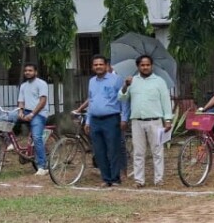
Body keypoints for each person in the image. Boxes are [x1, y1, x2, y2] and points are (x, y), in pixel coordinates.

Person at [74, 55, 128, 187]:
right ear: (93, 67)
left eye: (101, 64)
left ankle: (115, 179)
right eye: (95, 64)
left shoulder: (116, 80)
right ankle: (106, 178)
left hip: (111, 119)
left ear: (106, 66)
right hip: (95, 120)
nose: (98, 66)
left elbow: (124, 99)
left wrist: (124, 118)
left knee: (113, 149)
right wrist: (88, 121)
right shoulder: (92, 81)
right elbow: (91, 101)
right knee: (99, 151)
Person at [120, 55, 173, 188]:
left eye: (147, 65)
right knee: (138, 152)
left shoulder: (159, 81)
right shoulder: (132, 81)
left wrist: (167, 120)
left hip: (155, 121)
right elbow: (121, 98)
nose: (145, 67)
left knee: (157, 151)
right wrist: (125, 85)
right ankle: (139, 180)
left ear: (151, 66)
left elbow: (166, 102)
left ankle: (159, 180)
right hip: (137, 122)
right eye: (142, 65)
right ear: (138, 66)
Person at [15, 63, 49, 175]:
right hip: (26, 111)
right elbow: (21, 101)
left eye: (30, 70)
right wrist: (20, 111)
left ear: (36, 72)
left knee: (37, 137)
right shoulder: (23, 86)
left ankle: (42, 166)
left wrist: (32, 114)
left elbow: (43, 102)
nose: (27, 72)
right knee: (5, 118)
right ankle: (10, 142)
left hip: (39, 113)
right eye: (26, 71)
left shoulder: (41, 84)